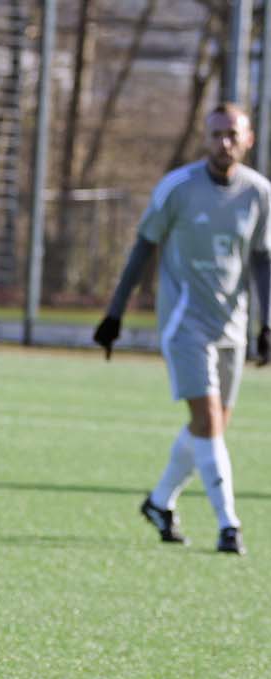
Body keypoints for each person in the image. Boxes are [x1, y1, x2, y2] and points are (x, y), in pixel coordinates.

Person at [94, 103, 271, 556]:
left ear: (248, 139)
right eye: (215, 134)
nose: (223, 143)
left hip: (230, 326)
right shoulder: (177, 188)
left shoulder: (259, 194)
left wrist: (266, 324)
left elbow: (261, 261)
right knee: (209, 424)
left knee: (208, 427)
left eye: (232, 134)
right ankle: (229, 524)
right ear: (204, 138)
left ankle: (159, 502)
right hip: (184, 322)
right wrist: (115, 314)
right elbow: (142, 249)